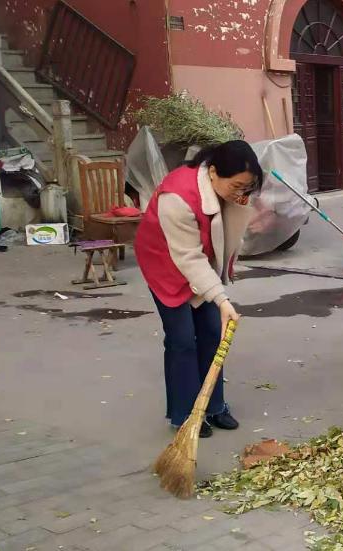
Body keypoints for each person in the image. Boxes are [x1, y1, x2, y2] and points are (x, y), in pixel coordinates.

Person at [135, 141, 263, 438]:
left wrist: (218, 290)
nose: (241, 193)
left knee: (210, 332)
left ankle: (214, 406)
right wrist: (221, 299)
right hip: (165, 263)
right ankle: (184, 415)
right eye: (238, 186)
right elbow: (188, 258)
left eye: (248, 187)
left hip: (200, 262)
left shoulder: (228, 191)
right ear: (214, 172)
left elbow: (222, 240)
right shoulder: (176, 198)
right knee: (182, 340)